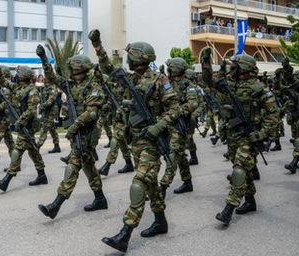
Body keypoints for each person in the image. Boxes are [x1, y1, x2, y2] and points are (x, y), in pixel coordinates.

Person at [88, 29, 179, 253]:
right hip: (136, 140)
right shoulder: (130, 79)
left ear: (139, 58)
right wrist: (98, 46)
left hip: (152, 141)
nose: (127, 60)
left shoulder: (160, 80)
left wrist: (158, 126)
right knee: (151, 185)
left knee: (139, 183)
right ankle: (160, 222)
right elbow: (108, 68)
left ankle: (125, 234)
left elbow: (175, 108)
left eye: (130, 56)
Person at [201, 49, 278, 225]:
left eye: (234, 66)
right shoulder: (229, 83)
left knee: (239, 169)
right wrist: (206, 63)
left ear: (243, 68)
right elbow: (209, 81)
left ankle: (229, 208)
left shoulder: (259, 89)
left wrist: (262, 133)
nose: (231, 69)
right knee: (246, 170)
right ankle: (250, 202)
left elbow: (273, 114)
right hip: (233, 133)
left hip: (250, 137)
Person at [37, 45, 107, 219]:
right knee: (89, 166)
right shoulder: (69, 85)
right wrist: (44, 60)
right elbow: (52, 77)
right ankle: (100, 199)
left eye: (72, 68)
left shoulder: (93, 86)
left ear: (78, 69)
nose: (70, 71)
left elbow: (92, 112)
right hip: (77, 133)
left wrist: (75, 125)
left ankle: (56, 205)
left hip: (88, 133)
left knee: (73, 166)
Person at [0, 63, 48, 192]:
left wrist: (21, 121)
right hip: (22, 124)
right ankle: (42, 175)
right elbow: (3, 83)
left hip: (27, 125)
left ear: (23, 76)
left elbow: (31, 110)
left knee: (17, 151)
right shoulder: (17, 87)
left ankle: (6, 180)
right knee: (33, 151)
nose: (16, 76)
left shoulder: (32, 91)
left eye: (18, 74)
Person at [159, 58, 199, 197]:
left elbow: (193, 103)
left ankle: (163, 186)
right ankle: (188, 183)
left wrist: (177, 111)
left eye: (170, 69)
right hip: (168, 124)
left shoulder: (189, 86)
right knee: (181, 156)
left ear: (175, 70)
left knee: (173, 155)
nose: (168, 71)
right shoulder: (167, 84)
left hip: (180, 125)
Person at [37, 74, 61, 153]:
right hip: (46, 110)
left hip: (52, 110)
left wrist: (42, 107)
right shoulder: (44, 88)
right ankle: (57, 146)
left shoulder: (53, 88)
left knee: (45, 127)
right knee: (52, 129)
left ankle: (38, 146)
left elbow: (51, 100)